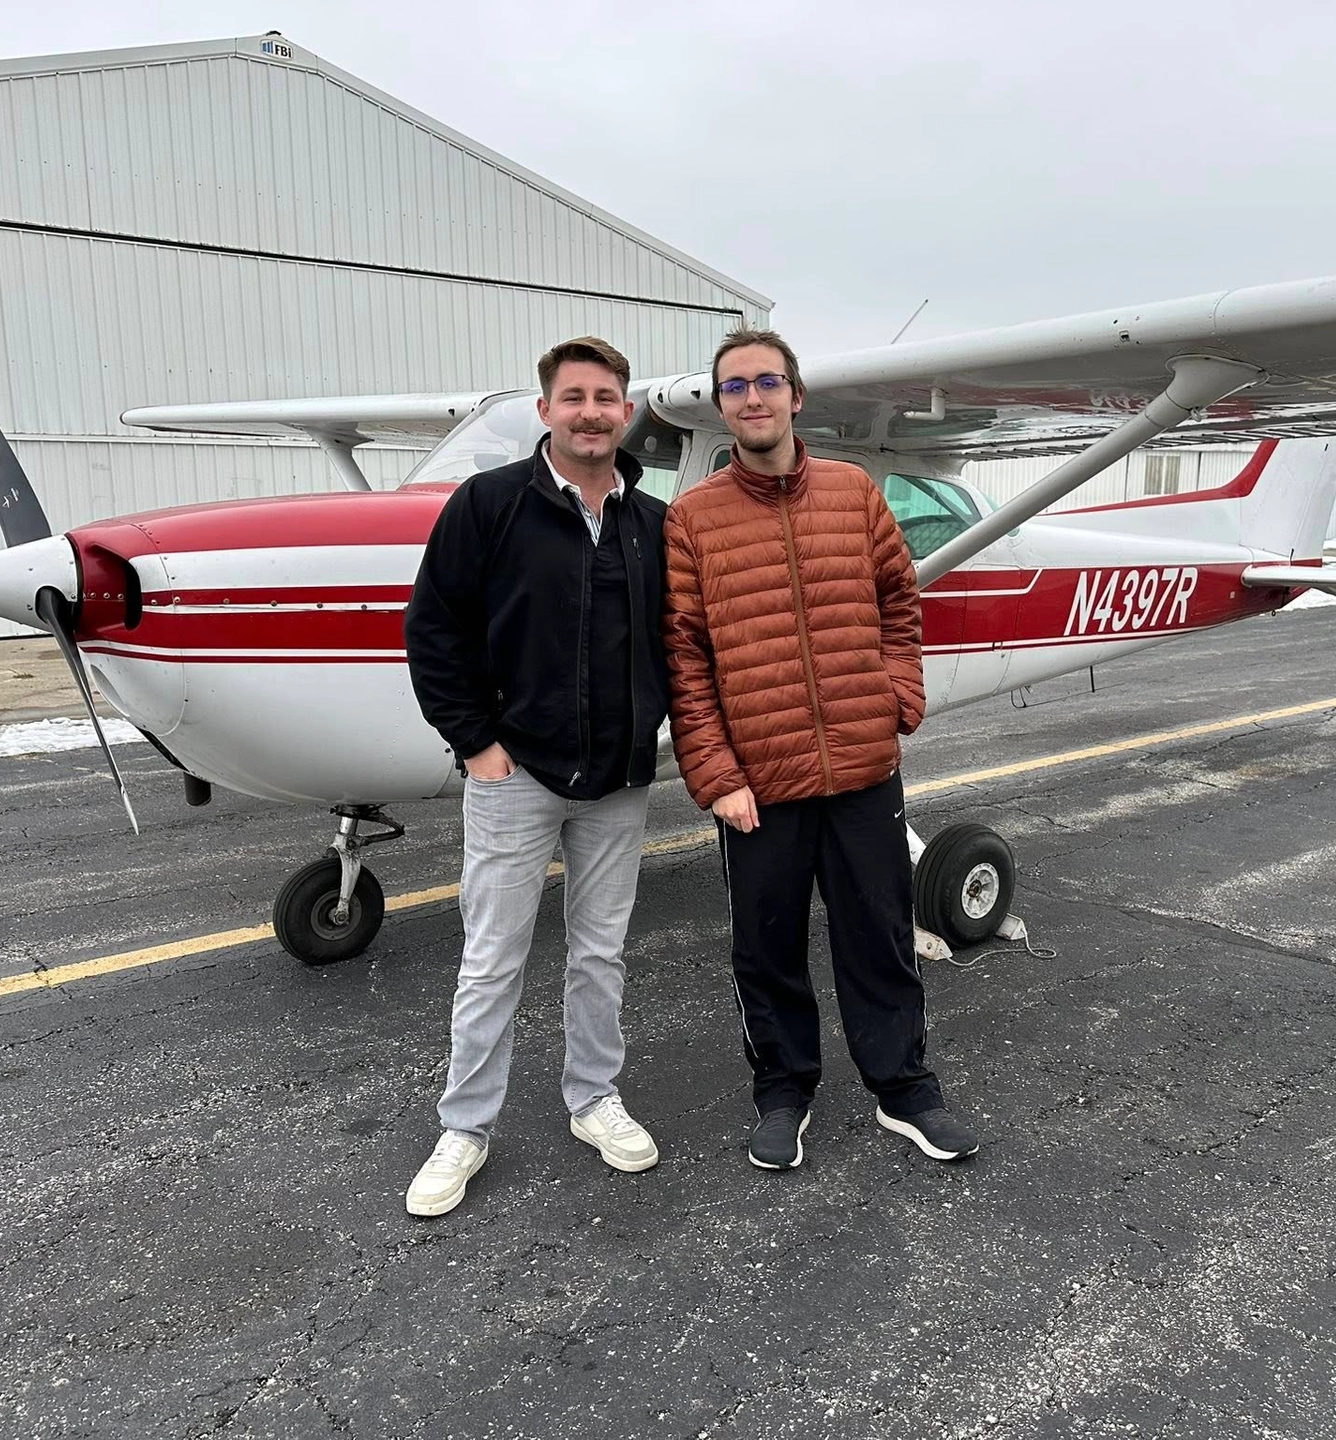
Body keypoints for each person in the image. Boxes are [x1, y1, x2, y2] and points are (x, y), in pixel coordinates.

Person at [663, 327, 979, 1170]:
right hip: (756, 786)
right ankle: (782, 1091)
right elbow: (685, 657)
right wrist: (716, 774)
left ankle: (905, 1090)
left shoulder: (852, 493)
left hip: (863, 768)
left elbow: (899, 603)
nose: (753, 398)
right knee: (764, 949)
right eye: (735, 387)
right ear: (722, 405)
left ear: (796, 396)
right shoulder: (693, 518)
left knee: (879, 935)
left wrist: (896, 700)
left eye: (768, 382)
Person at [401, 336, 670, 1217]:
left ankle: (593, 1098)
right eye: (574, 396)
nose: (591, 411)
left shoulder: (653, 523)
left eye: (607, 398)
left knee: (600, 952)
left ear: (624, 414)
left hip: (619, 778)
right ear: (547, 410)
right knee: (492, 956)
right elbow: (433, 629)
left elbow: (676, 646)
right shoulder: (489, 505)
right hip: (514, 771)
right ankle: (467, 1126)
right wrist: (473, 741)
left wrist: (653, 731)